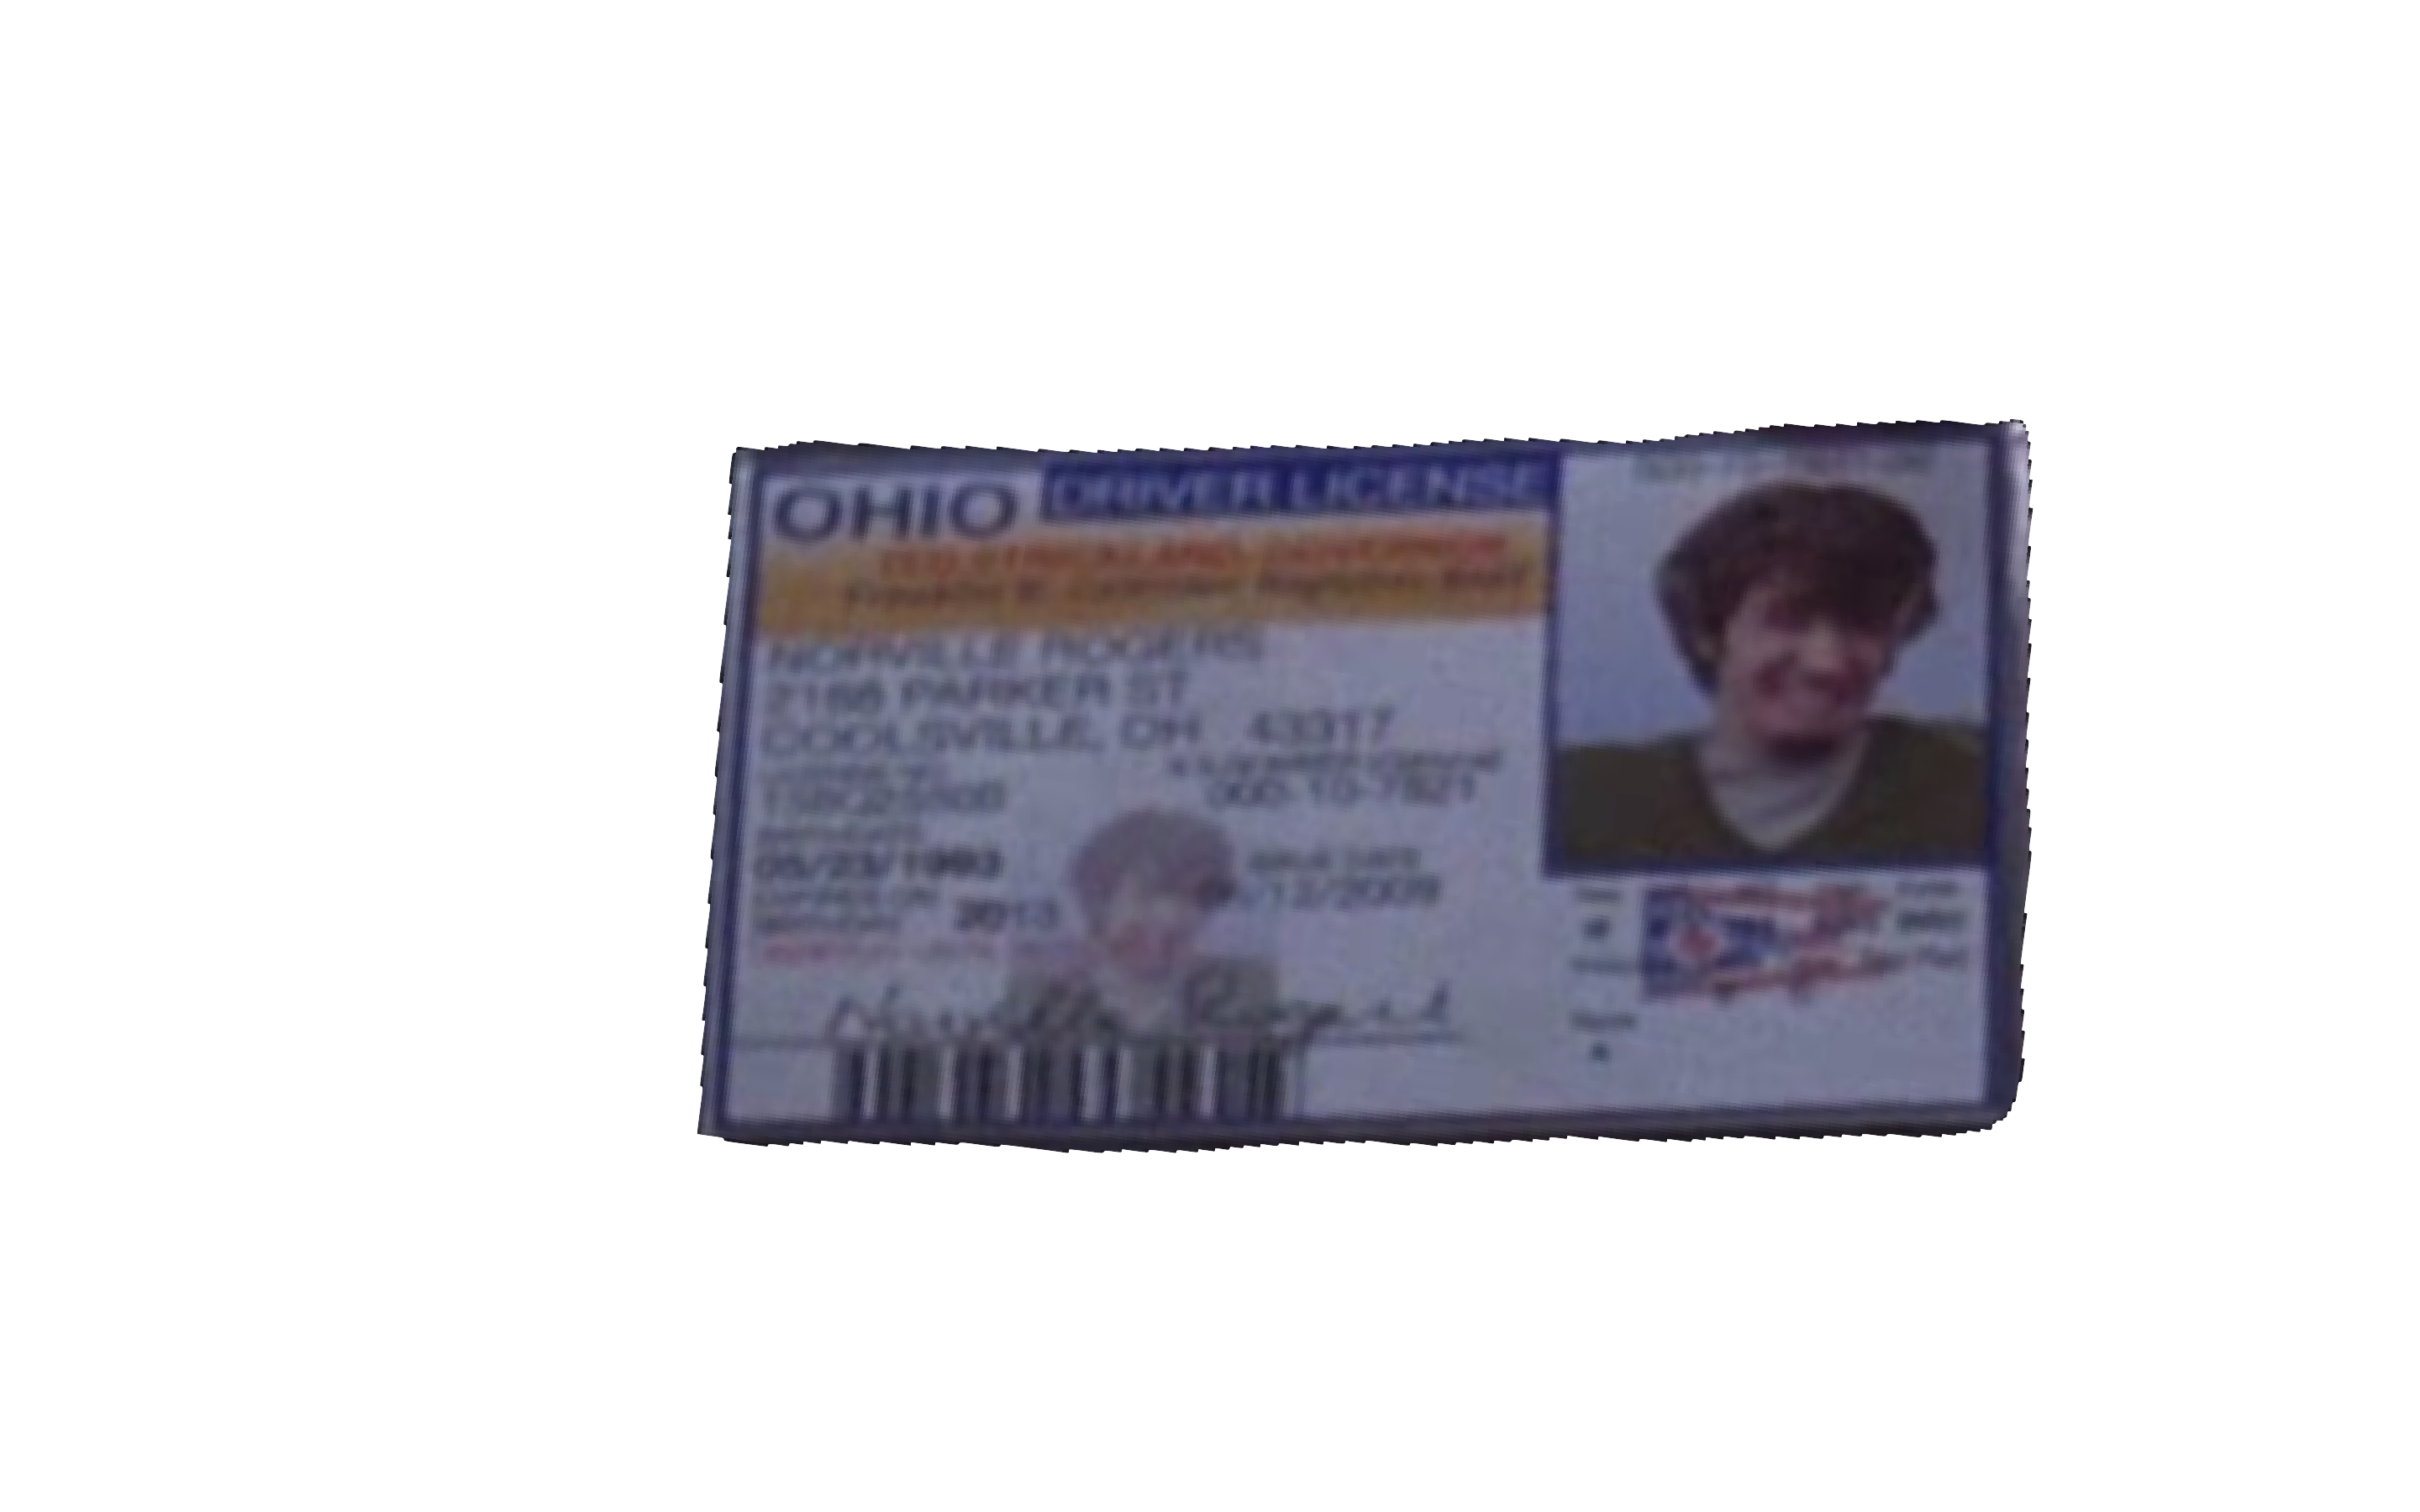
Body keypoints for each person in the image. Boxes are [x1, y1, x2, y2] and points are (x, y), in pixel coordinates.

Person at [1554, 481, 1986, 868]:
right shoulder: (1586, 797)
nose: (1827, 663)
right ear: (1708, 633)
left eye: (1862, 624)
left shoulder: (1966, 787)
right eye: (1788, 621)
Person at [1004, 809, 1276, 1036]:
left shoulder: (1246, 991)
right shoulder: (1039, 994)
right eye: (1146, 896)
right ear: (1100, 902)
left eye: (1192, 900)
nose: (1169, 918)